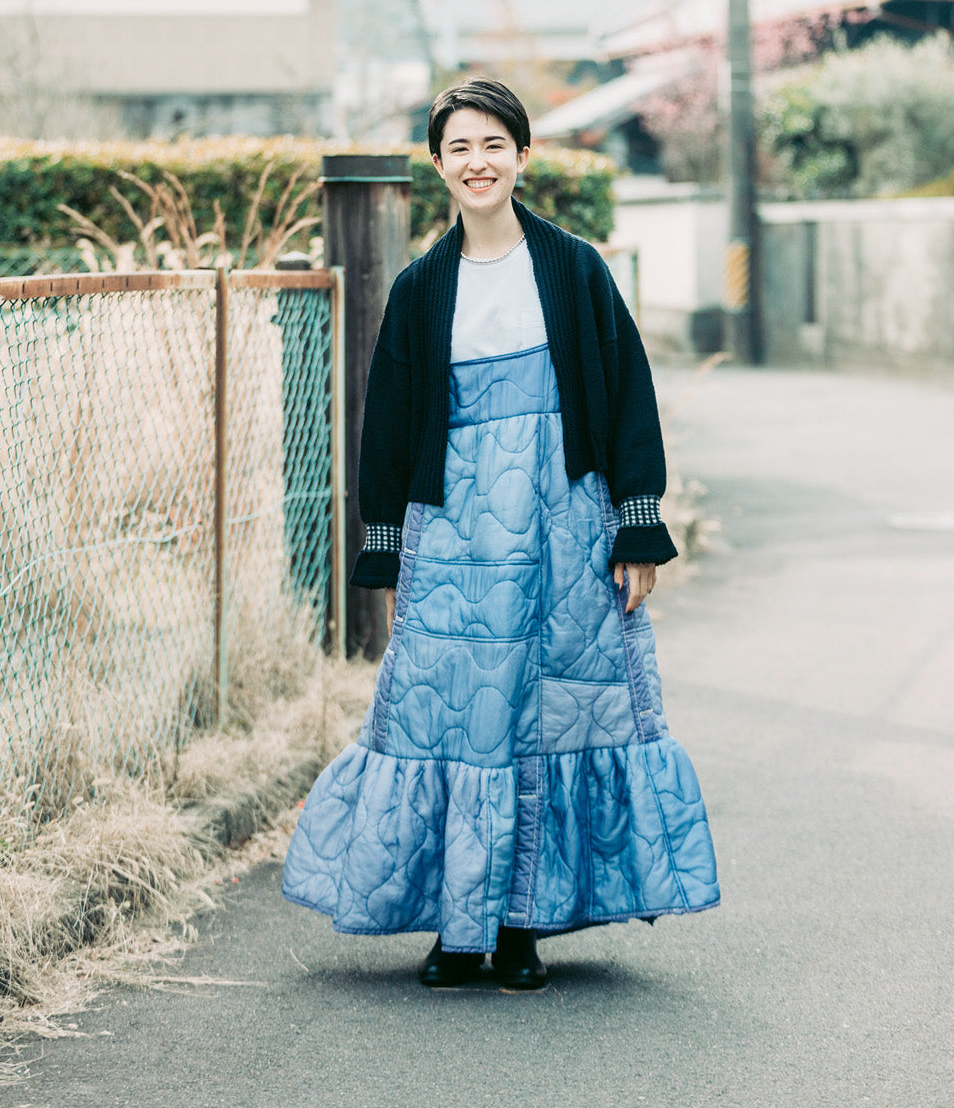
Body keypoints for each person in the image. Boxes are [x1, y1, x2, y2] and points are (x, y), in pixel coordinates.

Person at [283, 79, 719, 990]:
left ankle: (521, 926)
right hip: (454, 537)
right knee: (453, 717)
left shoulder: (574, 269)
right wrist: (388, 549)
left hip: (565, 529)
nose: (476, 162)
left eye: (493, 144)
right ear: (437, 165)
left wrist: (635, 528)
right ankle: (459, 930)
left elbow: (627, 397)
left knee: (552, 717)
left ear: (522, 155)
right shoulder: (419, 289)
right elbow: (388, 427)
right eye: (458, 147)